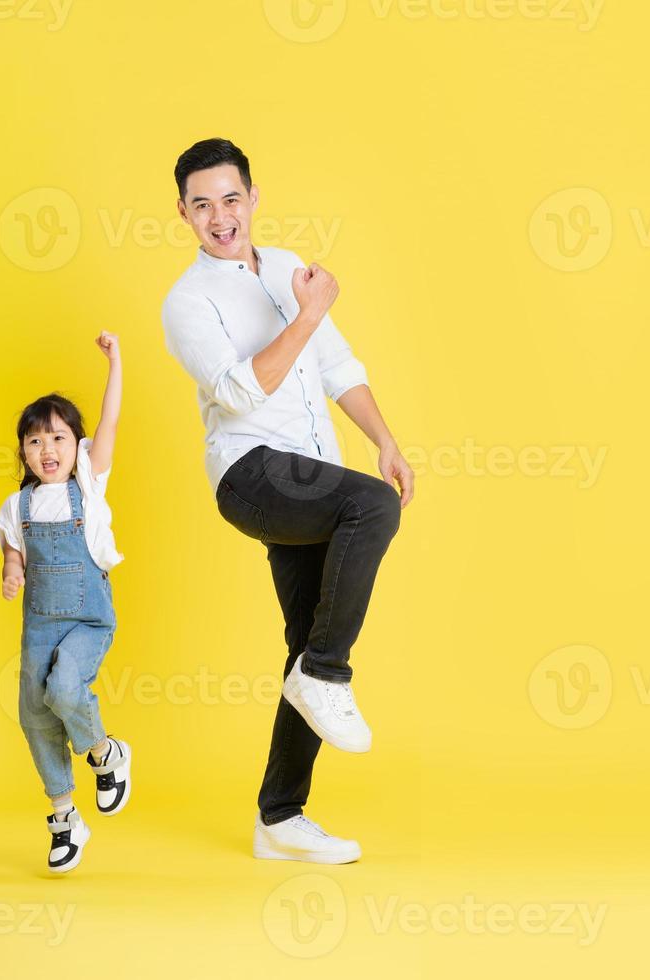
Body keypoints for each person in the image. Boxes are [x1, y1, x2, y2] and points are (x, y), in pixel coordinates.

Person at [161, 139, 414, 865]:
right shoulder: (186, 302)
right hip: (250, 473)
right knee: (371, 510)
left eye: (230, 198)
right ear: (182, 212)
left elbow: (335, 365)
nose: (219, 216)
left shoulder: (284, 267)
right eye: (201, 204)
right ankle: (326, 673)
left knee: (305, 634)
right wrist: (308, 314)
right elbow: (239, 392)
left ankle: (279, 818)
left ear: (253, 197)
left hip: (311, 472)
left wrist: (384, 441)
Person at [0, 333, 129, 873]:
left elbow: (111, 422)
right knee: (35, 714)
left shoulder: (89, 486)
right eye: (34, 442)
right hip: (39, 628)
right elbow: (12, 546)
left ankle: (105, 753)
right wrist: (11, 570)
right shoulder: (16, 503)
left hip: (88, 620)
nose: (47, 451)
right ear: (23, 452)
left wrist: (115, 362)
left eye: (59, 439)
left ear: (78, 447)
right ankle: (65, 816)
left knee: (65, 688)